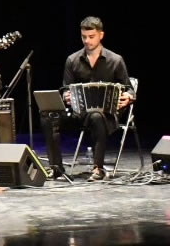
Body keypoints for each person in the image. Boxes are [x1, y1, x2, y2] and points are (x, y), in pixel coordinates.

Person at [40, 16, 134, 181]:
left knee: (97, 116)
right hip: (79, 113)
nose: (87, 41)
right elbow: (65, 88)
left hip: (106, 115)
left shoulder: (115, 60)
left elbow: (128, 88)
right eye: (84, 37)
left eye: (91, 37)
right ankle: (56, 168)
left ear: (101, 35)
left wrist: (129, 96)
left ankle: (98, 168)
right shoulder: (72, 60)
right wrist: (66, 95)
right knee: (48, 116)